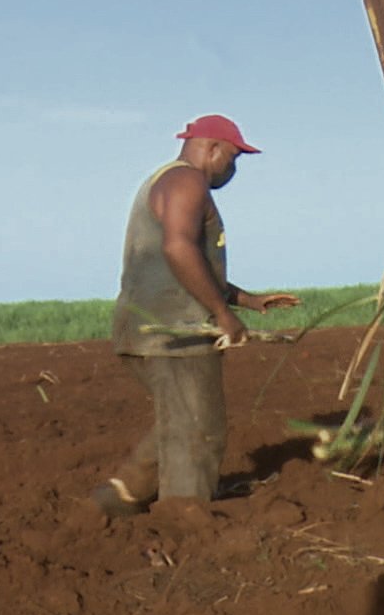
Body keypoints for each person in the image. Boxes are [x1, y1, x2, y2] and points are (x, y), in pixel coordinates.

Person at [96, 115, 299, 517]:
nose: (234, 168)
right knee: (199, 430)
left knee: (180, 419)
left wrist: (248, 300)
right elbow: (178, 249)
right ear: (212, 148)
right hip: (176, 333)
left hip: (146, 326)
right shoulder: (188, 181)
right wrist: (223, 315)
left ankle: (119, 496)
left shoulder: (167, 181)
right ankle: (182, 518)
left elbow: (188, 266)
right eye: (234, 158)